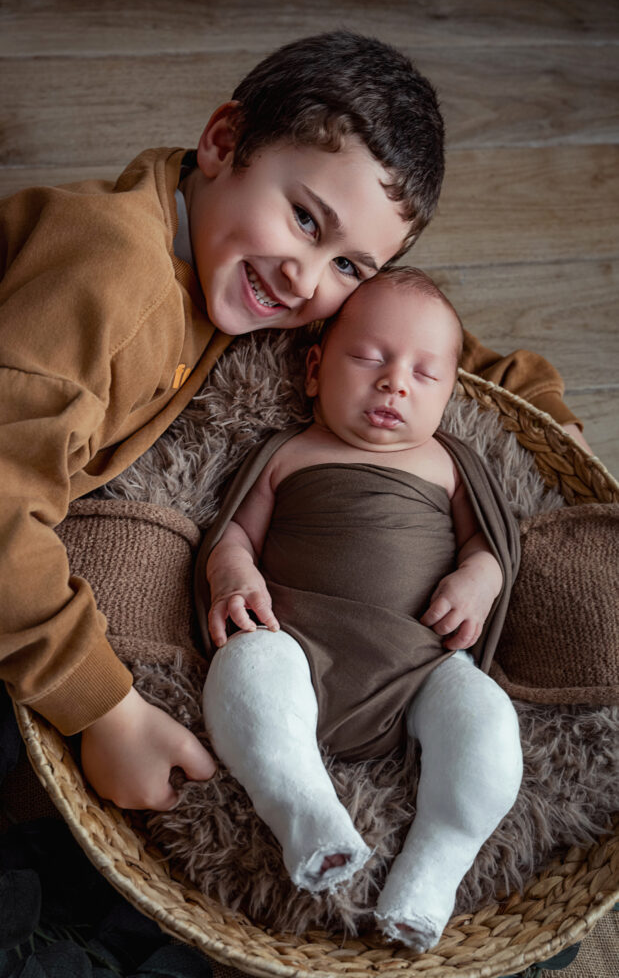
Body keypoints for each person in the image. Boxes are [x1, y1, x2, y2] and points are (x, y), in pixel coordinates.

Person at [0, 31, 582, 816]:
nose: (307, 279)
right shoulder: (109, 276)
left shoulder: (244, 256)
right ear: (222, 141)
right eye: (306, 220)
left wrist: (538, 405)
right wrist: (105, 710)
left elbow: (409, 332)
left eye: (349, 265)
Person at [196, 268, 523, 951]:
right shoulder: (286, 453)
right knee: (245, 674)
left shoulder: (449, 464)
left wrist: (478, 580)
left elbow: (491, 545)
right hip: (296, 648)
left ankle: (434, 865)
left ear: (448, 395)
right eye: (370, 358)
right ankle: (307, 816)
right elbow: (231, 532)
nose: (393, 383)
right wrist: (232, 572)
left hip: (421, 672)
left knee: (488, 731)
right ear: (314, 370)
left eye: (424, 374)